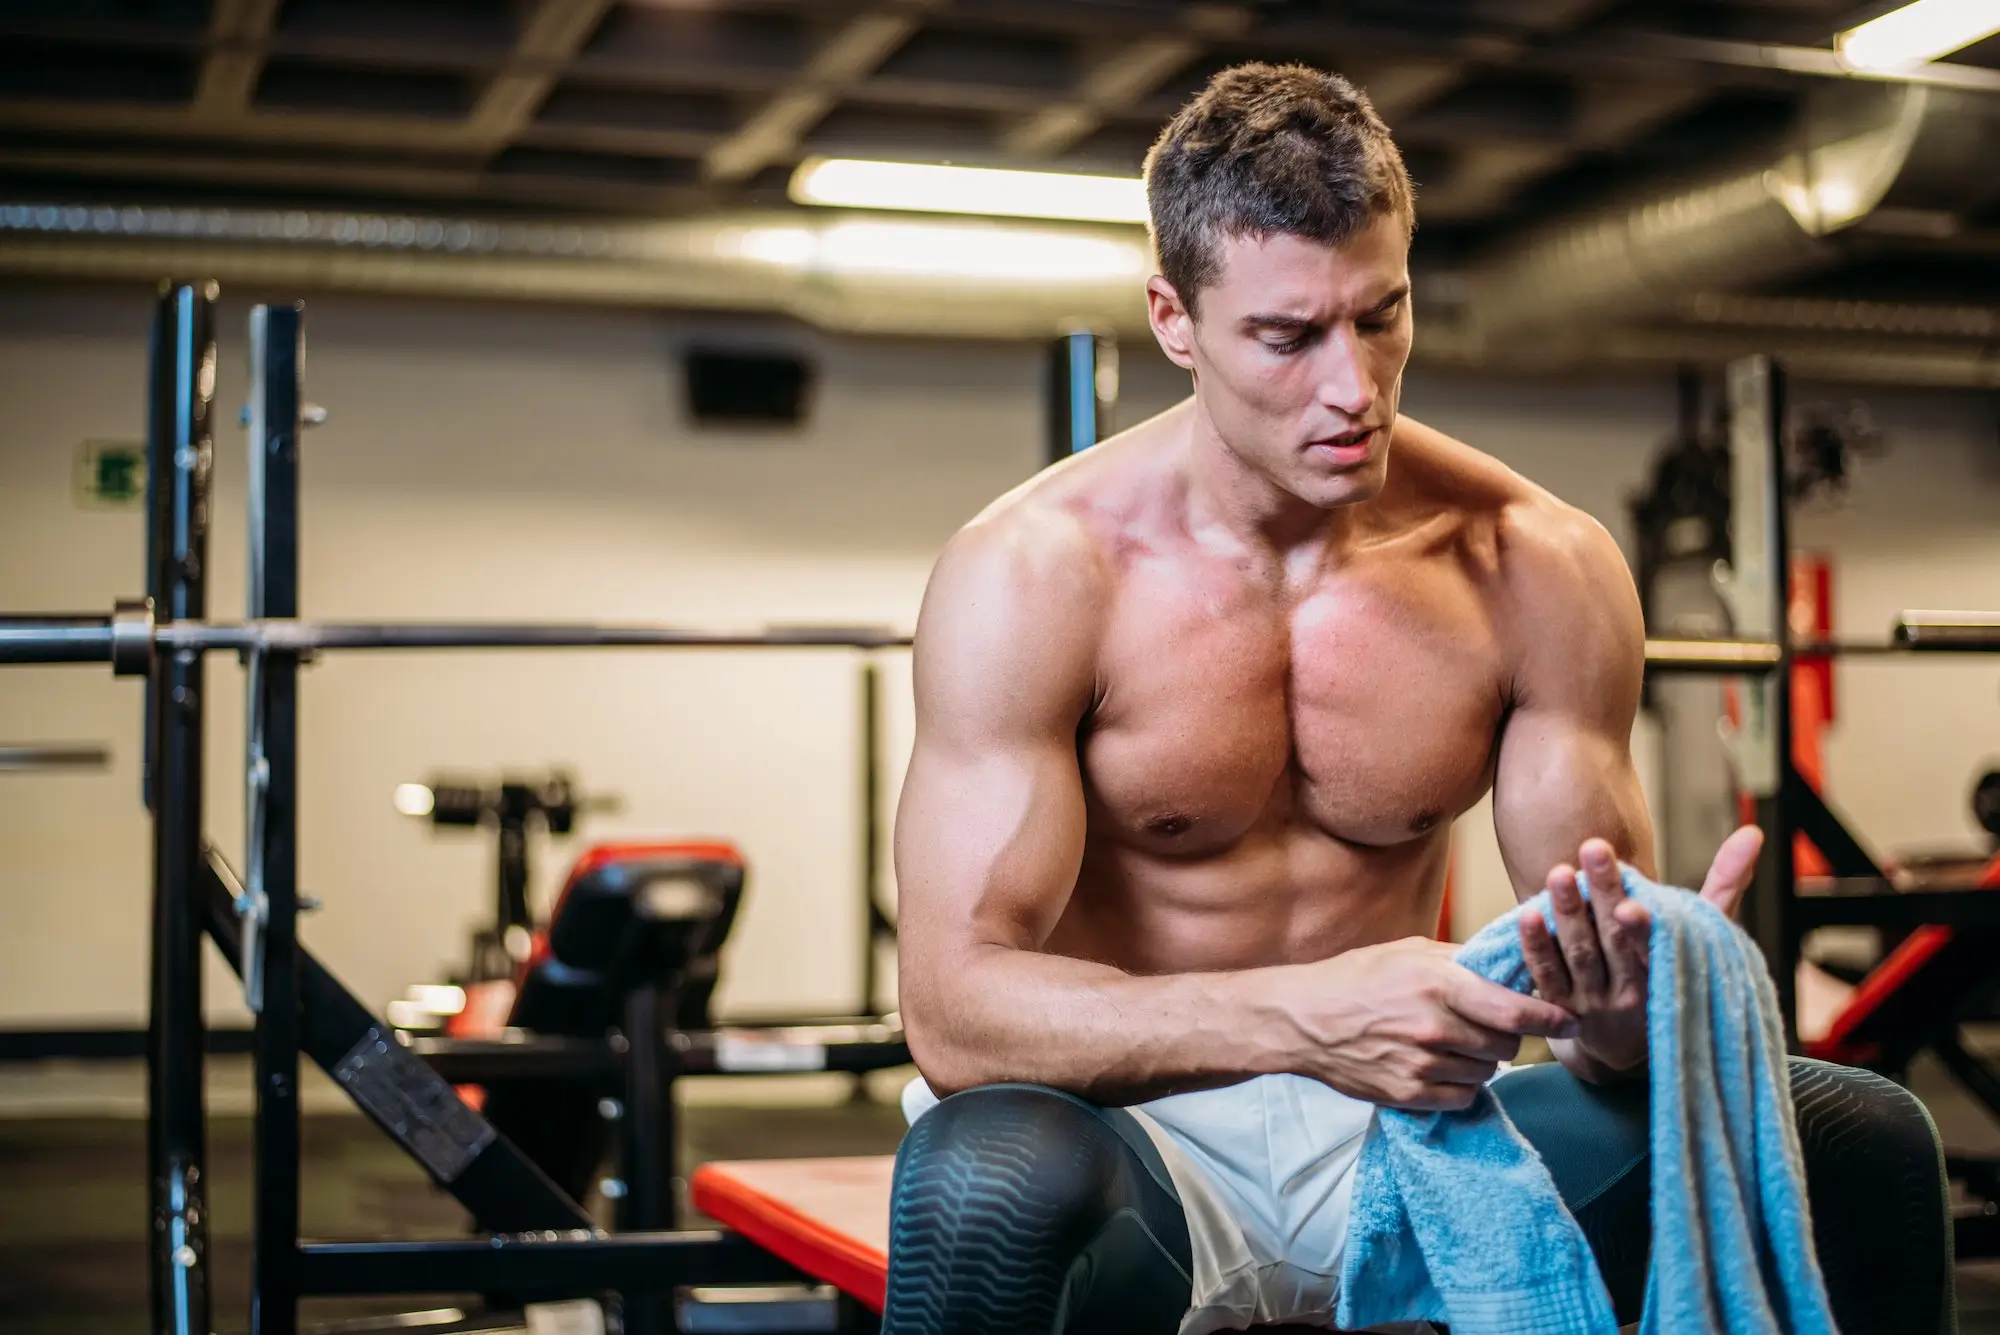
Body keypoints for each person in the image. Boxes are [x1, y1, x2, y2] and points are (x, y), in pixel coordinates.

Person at [885, 62, 1950, 1335]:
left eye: (1379, 316)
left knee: (1860, 1135)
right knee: (979, 1182)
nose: (1353, 388)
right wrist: (1303, 1014)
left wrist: (1624, 1009)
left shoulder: (1527, 564)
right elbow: (954, 1011)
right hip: (1141, 1132)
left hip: (1414, 1125)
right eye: (1286, 337)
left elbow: (1599, 1036)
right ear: (1173, 318)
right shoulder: (1034, 574)